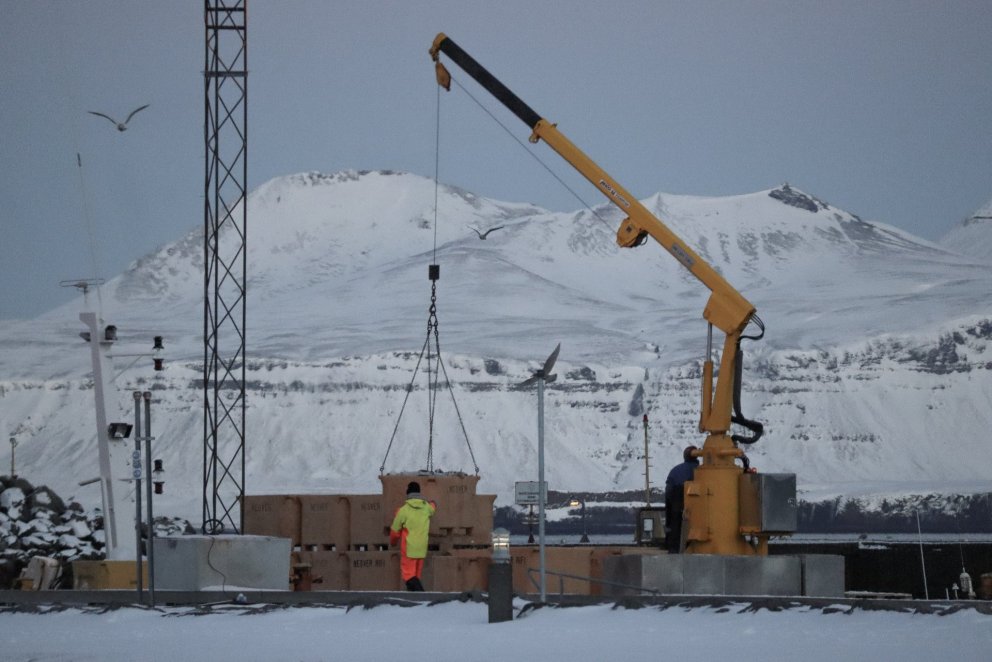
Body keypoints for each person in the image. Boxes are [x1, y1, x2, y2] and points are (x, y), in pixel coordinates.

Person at [389, 481, 437, 591]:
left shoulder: (403, 510)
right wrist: (433, 503)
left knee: (409, 576)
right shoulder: (426, 508)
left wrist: (393, 542)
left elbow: (395, 531)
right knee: (415, 577)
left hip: (409, 549)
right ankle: (415, 602)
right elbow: (433, 508)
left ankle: (423, 597)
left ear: (408, 493)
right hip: (421, 548)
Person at [664, 445, 699, 554]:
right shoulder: (703, 471)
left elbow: (669, 491)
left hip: (677, 506)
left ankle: (674, 551)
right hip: (699, 509)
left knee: (675, 529)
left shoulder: (675, 471)